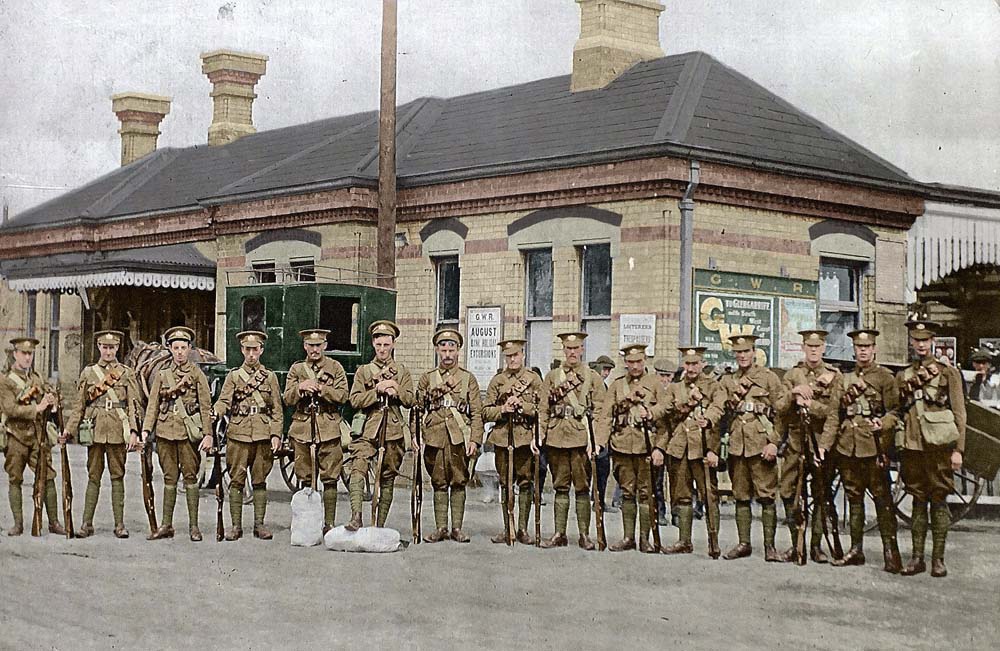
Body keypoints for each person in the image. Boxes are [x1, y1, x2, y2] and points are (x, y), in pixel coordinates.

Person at [884, 320, 966, 578]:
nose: (920, 344)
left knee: (939, 499)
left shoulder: (947, 373)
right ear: (911, 342)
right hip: (912, 447)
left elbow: (959, 413)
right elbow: (897, 410)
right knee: (918, 500)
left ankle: (938, 560)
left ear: (932, 341)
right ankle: (917, 558)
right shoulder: (904, 376)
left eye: (925, 340)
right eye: (916, 340)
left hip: (939, 447)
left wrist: (958, 450)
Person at [817, 329, 902, 572]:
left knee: (882, 500)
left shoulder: (885, 378)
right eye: (858, 347)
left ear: (874, 349)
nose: (863, 350)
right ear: (853, 350)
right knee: (854, 499)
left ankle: (890, 551)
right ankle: (856, 549)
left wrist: (882, 424)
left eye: (867, 346)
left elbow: (895, 412)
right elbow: (834, 415)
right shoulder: (843, 380)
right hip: (848, 448)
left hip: (873, 448)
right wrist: (824, 446)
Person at [775, 330, 844, 563]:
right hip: (796, 442)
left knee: (821, 493)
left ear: (824, 348)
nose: (813, 350)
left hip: (819, 444)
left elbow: (833, 413)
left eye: (818, 346)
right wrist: (794, 393)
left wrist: (810, 404)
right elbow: (779, 408)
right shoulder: (793, 374)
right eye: (809, 346)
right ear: (803, 347)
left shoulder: (834, 376)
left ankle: (815, 546)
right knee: (787, 491)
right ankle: (797, 543)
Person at [62, 330, 139, 538]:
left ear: (117, 348)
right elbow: (79, 406)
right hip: (94, 429)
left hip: (116, 429)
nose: (108, 351)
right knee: (93, 476)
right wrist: (69, 429)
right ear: (98, 347)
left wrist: (133, 431)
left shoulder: (126, 373)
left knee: (117, 476)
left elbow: (132, 405)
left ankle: (119, 524)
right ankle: (86, 523)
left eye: (112, 347)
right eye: (104, 347)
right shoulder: (88, 373)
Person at [140, 327, 213, 541]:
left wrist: (208, 435)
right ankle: (166, 524)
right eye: (175, 348)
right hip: (164, 432)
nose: (180, 352)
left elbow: (205, 406)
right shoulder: (163, 375)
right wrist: (146, 430)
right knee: (169, 478)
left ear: (190, 349)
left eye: (183, 347)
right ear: (170, 349)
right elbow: (153, 405)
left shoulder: (197, 374)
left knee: (190, 478)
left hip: (188, 434)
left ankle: (193, 526)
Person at [538, 331, 607, 550]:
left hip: (581, 439)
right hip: (556, 436)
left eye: (576, 349)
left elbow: (601, 413)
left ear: (582, 350)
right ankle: (559, 533)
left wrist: (596, 441)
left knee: (582, 487)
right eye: (568, 349)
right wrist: (540, 434)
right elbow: (543, 409)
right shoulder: (552, 377)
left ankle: (584, 534)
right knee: (559, 486)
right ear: (563, 350)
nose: (572, 353)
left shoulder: (592, 377)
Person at [718, 334, 784, 561]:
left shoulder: (768, 378)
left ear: (754, 352)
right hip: (737, 446)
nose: (742, 356)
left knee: (766, 497)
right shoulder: (728, 381)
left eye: (746, 351)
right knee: (741, 496)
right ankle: (744, 543)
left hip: (761, 445)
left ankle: (770, 547)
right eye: (738, 352)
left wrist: (774, 442)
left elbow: (781, 414)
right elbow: (722, 412)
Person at [212, 330, 282, 540]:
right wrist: (216, 410)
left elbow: (277, 410)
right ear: (242, 350)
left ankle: (259, 525)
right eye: (247, 349)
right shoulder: (233, 376)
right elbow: (224, 401)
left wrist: (276, 434)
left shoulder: (270, 377)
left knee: (260, 481)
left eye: (255, 349)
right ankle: (236, 527)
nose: (251, 354)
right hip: (239, 434)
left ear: (261, 350)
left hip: (262, 434)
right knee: (237, 481)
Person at [415, 328, 484, 542]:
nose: (447, 354)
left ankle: (456, 528)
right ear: (437, 350)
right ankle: (441, 528)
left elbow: (477, 412)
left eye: (451, 349)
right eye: (443, 349)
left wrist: (474, 439)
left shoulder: (467, 379)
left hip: (459, 438)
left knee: (459, 481)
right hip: (435, 437)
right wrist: (416, 436)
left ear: (458, 351)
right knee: (438, 482)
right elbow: (417, 410)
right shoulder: (427, 379)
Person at [657, 346, 726, 557]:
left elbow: (719, 408)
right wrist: (648, 414)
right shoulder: (676, 388)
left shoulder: (713, 386)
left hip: (703, 447)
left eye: (695, 363)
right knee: (682, 496)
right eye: (687, 364)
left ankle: (713, 541)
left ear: (702, 363)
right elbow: (664, 409)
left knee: (708, 495)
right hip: (679, 448)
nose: (691, 368)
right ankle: (684, 541)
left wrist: (709, 421)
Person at [347, 320, 414, 530]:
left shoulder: (402, 372)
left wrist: (396, 390)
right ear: (373, 345)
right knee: (358, 468)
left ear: (393, 344)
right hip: (367, 427)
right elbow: (355, 400)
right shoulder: (364, 371)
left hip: (393, 429)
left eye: (386, 345)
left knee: (388, 478)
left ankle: (379, 525)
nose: (382, 349)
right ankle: (356, 517)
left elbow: (411, 400)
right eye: (379, 345)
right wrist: (376, 392)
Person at [599, 344, 667, 552]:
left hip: (646, 446)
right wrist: (600, 443)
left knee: (646, 494)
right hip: (622, 446)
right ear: (625, 363)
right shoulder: (618, 386)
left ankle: (645, 538)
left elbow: (666, 415)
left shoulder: (655, 383)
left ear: (644, 360)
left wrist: (660, 448)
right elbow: (606, 416)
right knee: (627, 493)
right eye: (631, 362)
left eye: (638, 361)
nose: (635, 366)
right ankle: (629, 537)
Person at [283, 329, 349, 533]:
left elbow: (343, 396)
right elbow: (287, 399)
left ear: (325, 346)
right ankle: (308, 522)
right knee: (304, 477)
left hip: (328, 426)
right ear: (305, 347)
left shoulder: (335, 367)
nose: (314, 349)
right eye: (310, 346)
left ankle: (328, 524)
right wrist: (301, 387)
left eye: (318, 345)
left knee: (330, 477)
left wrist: (322, 389)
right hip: (302, 427)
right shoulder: (296, 370)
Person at [0, 337, 65, 536]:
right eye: (24, 354)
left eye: (30, 354)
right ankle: (18, 524)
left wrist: (52, 401)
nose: (27, 357)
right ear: (15, 354)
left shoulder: (36, 379)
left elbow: (48, 401)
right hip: (16, 435)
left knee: (47, 476)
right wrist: (37, 407)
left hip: (37, 435)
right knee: (15, 478)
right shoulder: (5, 380)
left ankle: (54, 522)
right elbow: (10, 409)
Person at [483, 339, 542, 544]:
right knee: (505, 483)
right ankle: (508, 528)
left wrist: (522, 406)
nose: (513, 359)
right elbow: (485, 411)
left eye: (516, 355)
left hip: (524, 438)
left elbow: (541, 410)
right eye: (508, 356)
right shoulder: (497, 381)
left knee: (525, 483)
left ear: (523, 355)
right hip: (502, 437)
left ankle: (523, 529)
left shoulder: (533, 380)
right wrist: (502, 410)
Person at [652, 358, 675, 525]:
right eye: (662, 376)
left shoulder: (677, 393)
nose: (665, 380)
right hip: (658, 441)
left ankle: (677, 514)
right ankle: (659, 512)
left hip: (676, 443)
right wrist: (658, 447)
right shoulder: (651, 393)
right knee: (656, 480)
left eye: (668, 376)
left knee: (677, 481)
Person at [592, 354, 616, 514]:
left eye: (608, 370)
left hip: (601, 434)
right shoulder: (591, 383)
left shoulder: (604, 386)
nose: (606, 373)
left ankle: (598, 501)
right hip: (588, 432)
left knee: (603, 468)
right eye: (604, 369)